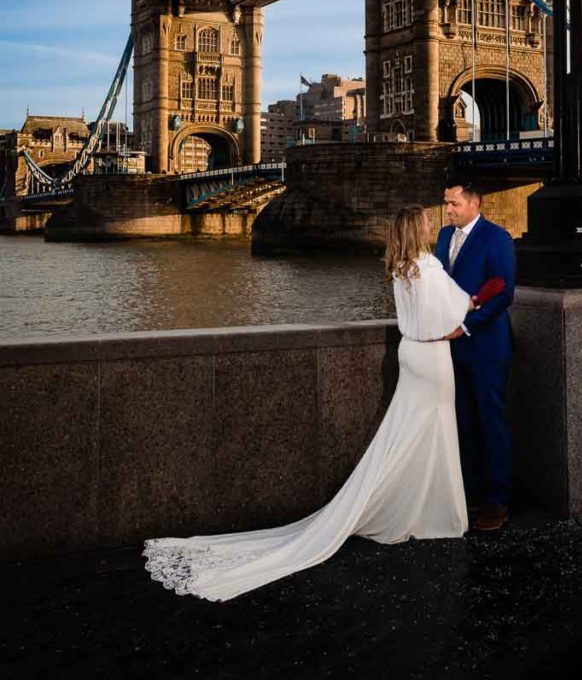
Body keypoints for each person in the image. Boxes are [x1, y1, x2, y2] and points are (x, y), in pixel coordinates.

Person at [143, 205, 503, 603]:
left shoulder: (402, 267)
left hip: (409, 354)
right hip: (433, 357)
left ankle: (412, 504)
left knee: (403, 433)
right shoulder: (429, 266)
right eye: (425, 223)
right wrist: (478, 299)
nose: (433, 224)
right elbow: (453, 313)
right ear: (417, 230)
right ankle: (436, 513)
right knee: (433, 433)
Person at [435, 177, 516, 532]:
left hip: (486, 347)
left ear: (474, 204)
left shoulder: (497, 238)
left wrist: (467, 325)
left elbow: (503, 293)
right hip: (451, 348)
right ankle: (468, 494)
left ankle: (497, 502)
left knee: (491, 423)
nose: (447, 209)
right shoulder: (442, 236)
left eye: (453, 203)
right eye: (446, 203)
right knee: (463, 423)